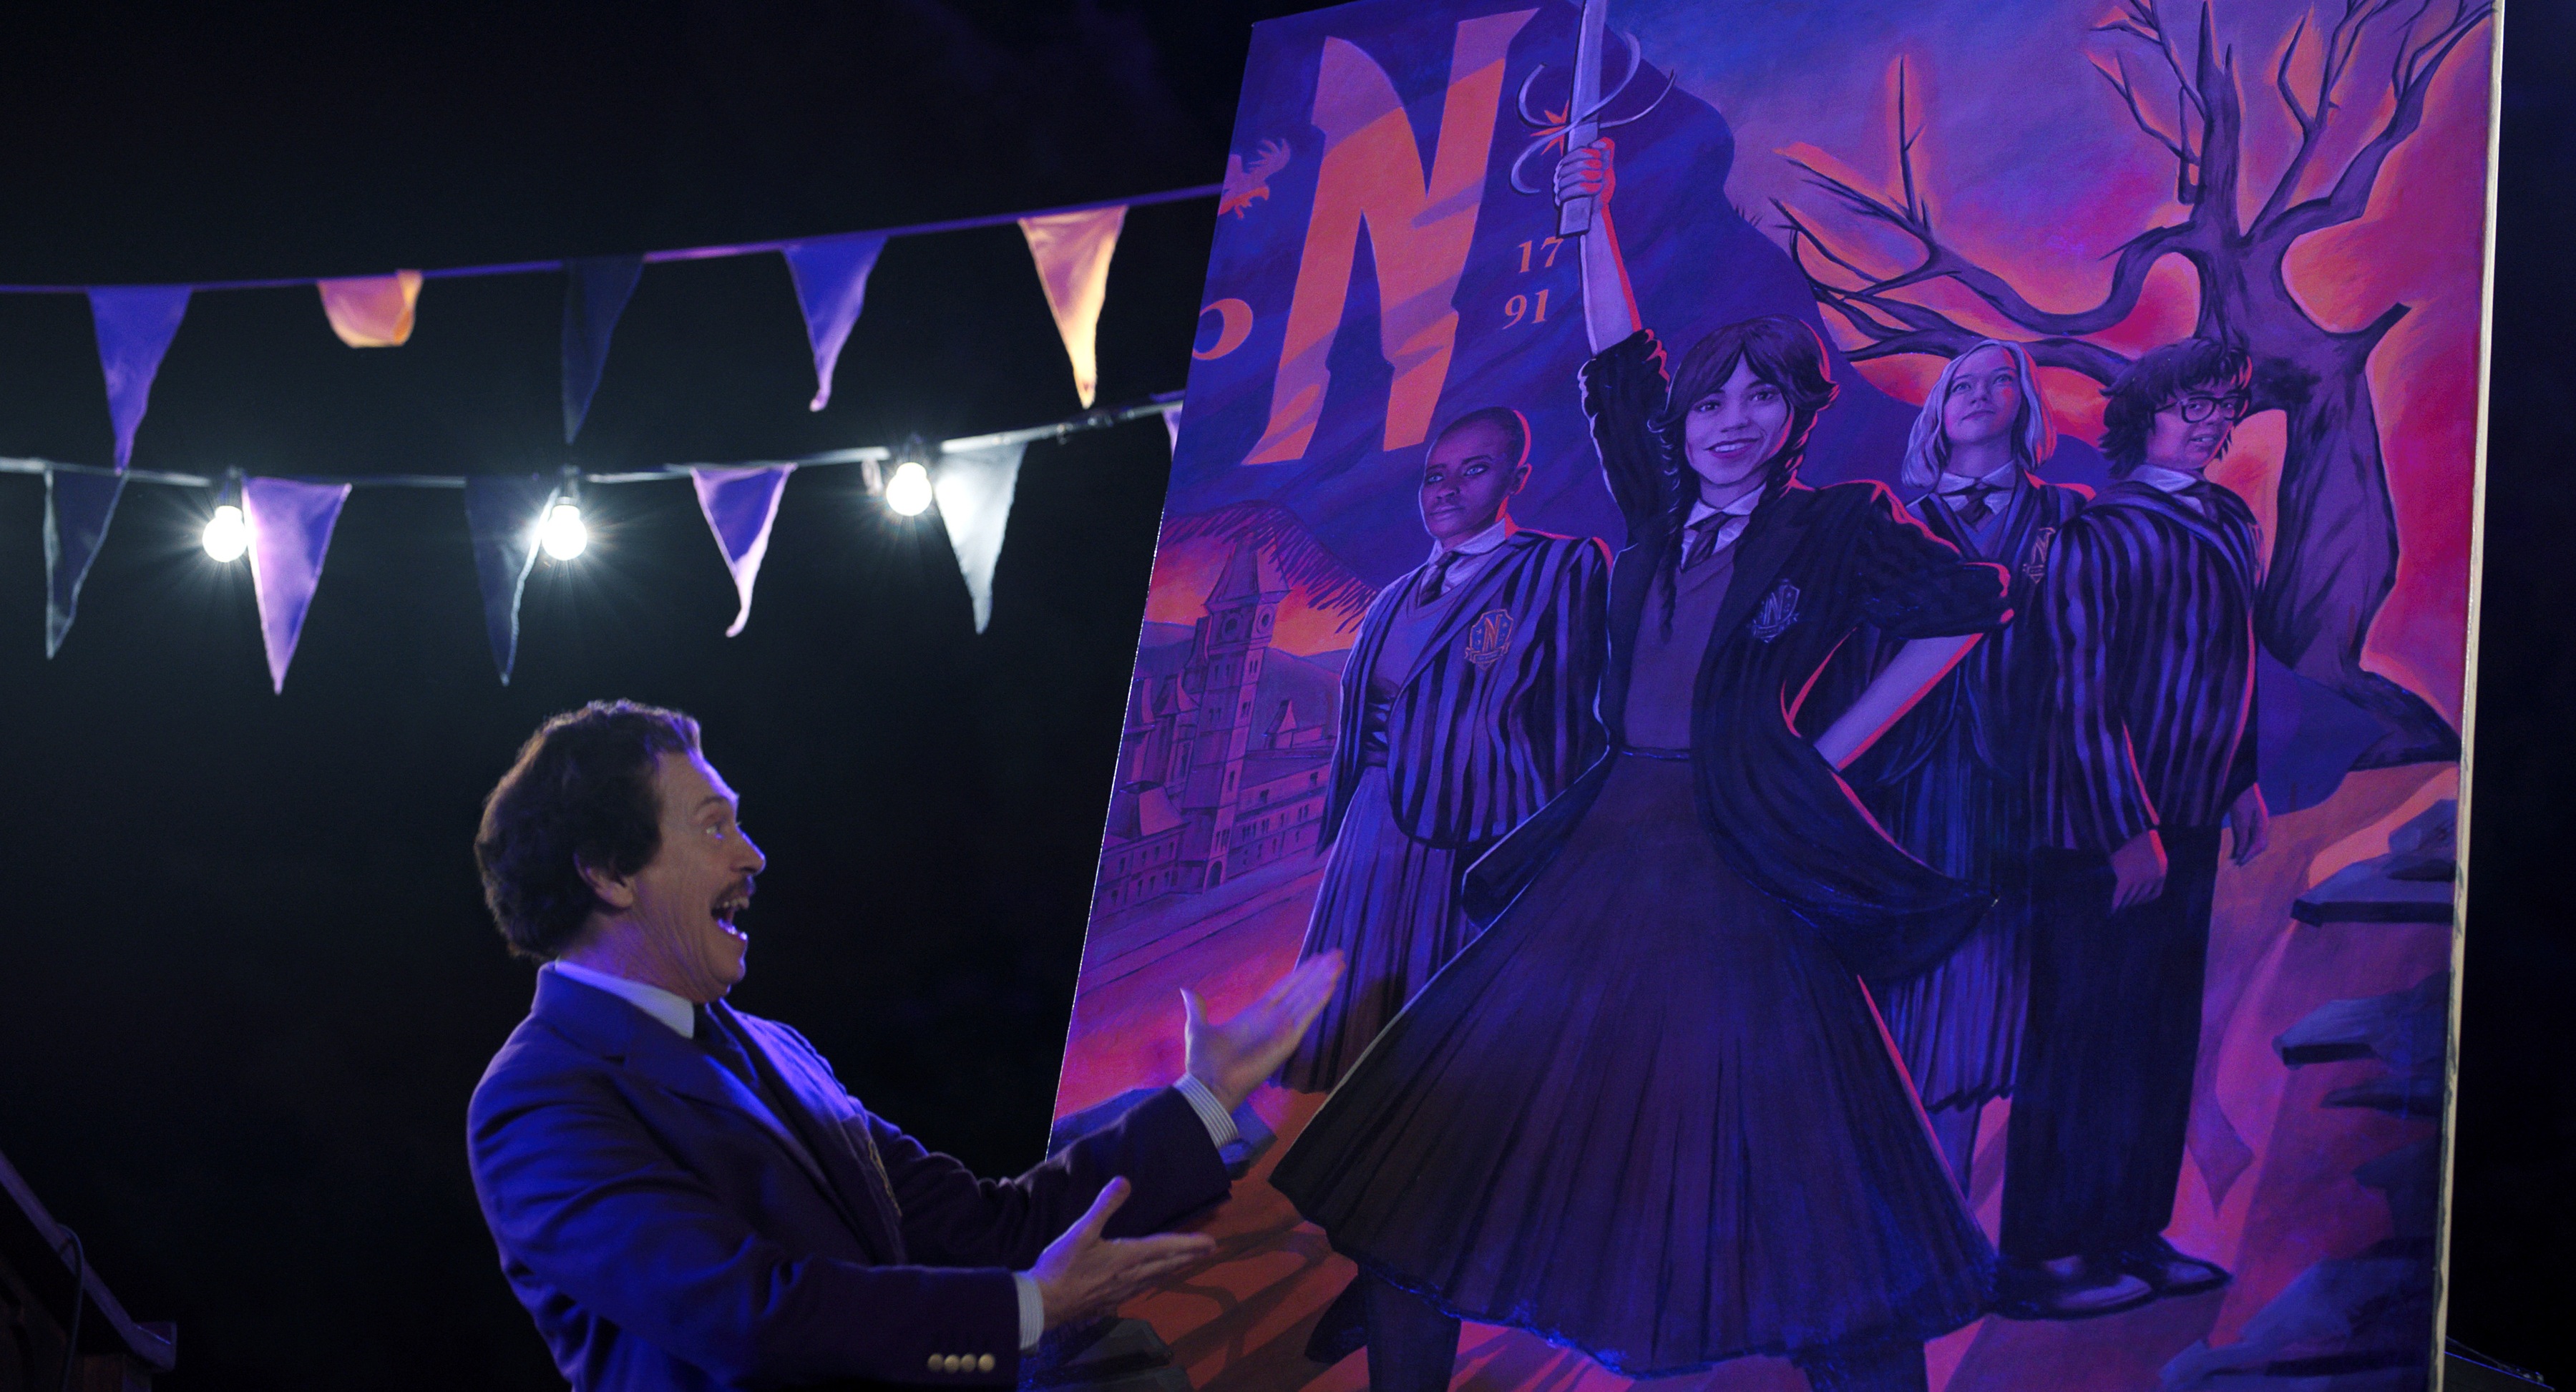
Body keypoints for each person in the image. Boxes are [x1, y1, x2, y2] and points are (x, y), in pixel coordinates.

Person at [1269, 137, 2010, 1392]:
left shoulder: (1835, 525)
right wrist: (1594, 216)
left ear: (1797, 418)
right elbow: (1622, 367)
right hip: (1604, 844)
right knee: (1438, 1149)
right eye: (1713, 401)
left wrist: (1825, 746)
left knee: (1812, 1169)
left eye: (1761, 400)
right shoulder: (1659, 515)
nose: (1732, 420)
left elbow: (1967, 604)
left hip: (1739, 855)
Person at [465, 700, 1340, 1391]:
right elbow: (748, 1313)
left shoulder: (778, 1048)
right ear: (609, 872)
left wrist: (1205, 1097)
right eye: (713, 825)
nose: (754, 855)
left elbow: (987, 1227)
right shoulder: (538, 1102)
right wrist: (1028, 1308)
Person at [1280, 406, 1606, 1363]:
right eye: (1434, 473)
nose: (1447, 489)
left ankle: (1425, 1274)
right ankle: (1380, 1270)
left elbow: (1579, 722)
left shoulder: (1558, 570)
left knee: (1447, 1081)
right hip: (1375, 842)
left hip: (1474, 849)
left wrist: (1548, 855)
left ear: (1516, 479)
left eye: (1473, 470)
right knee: (1367, 1071)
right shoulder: (1393, 597)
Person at [1999, 339, 2270, 1319]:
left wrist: (2241, 781)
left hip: (2189, 815)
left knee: (2160, 1033)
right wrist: (2126, 830)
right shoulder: (2093, 535)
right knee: (2082, 1036)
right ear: (2141, 416)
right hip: (2097, 835)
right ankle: (2043, 1254)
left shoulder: (2231, 518)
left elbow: (2235, 663)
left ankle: (2128, 1229)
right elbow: (2075, 693)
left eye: (2223, 404)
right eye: (2191, 404)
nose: (2212, 421)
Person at [1843, 340, 2089, 1191]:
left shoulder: (2069, 514)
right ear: (1937, 410)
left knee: (1989, 990)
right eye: (1962, 384)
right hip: (1905, 782)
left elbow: (2092, 655)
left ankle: (1949, 1192)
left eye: (2000, 381)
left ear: (2026, 402)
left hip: (2020, 783)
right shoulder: (1892, 523)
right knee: (1899, 983)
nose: (1980, 394)